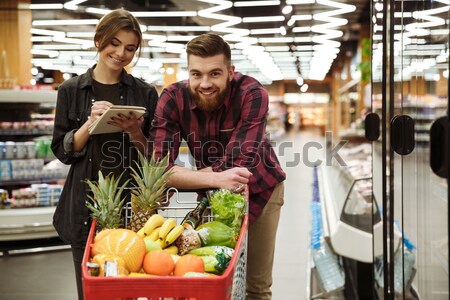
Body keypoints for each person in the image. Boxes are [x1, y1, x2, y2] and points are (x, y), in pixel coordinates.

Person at [149, 33, 286, 300]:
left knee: (256, 286)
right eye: (196, 74)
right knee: (209, 279)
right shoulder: (172, 97)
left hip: (260, 190)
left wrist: (183, 176)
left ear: (230, 72)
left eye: (214, 74)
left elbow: (236, 167)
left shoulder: (251, 93)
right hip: (210, 193)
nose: (205, 83)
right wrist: (212, 179)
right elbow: (157, 169)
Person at [51, 9, 158, 300]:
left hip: (132, 209)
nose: (121, 53)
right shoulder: (71, 91)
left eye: (130, 48)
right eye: (114, 43)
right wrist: (89, 123)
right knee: (91, 291)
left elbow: (156, 158)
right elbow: (62, 150)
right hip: (84, 209)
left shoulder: (145, 94)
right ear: (99, 40)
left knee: (130, 292)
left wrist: (136, 133)